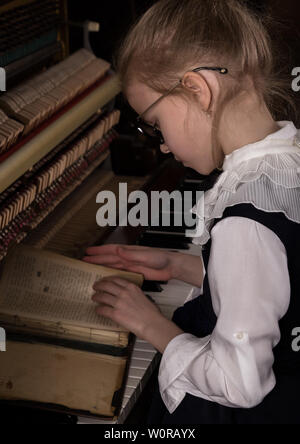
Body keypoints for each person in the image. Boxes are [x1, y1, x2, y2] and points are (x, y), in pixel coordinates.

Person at [83, 0, 300, 424]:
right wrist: (187, 266)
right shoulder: (287, 162)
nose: (162, 145)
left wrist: (151, 326)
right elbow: (278, 274)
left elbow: (239, 382)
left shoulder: (243, 223)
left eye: (156, 123)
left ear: (198, 90)